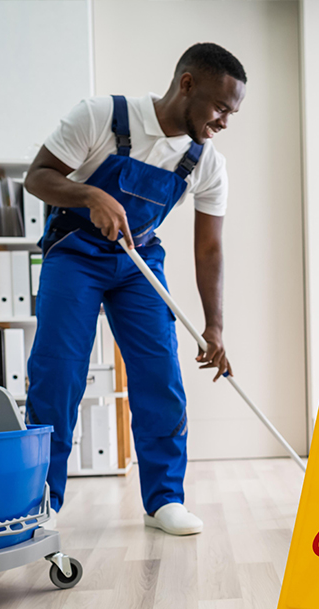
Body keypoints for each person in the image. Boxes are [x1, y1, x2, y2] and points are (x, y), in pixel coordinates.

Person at [22, 43, 247, 536]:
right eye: (219, 108)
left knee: (160, 376)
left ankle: (164, 499)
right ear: (186, 84)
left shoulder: (206, 163)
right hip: (75, 252)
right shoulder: (101, 116)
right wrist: (89, 194)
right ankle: (42, 500)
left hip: (139, 260)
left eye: (232, 113)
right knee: (58, 374)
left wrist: (215, 325)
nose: (224, 122)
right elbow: (36, 177)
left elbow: (209, 249)